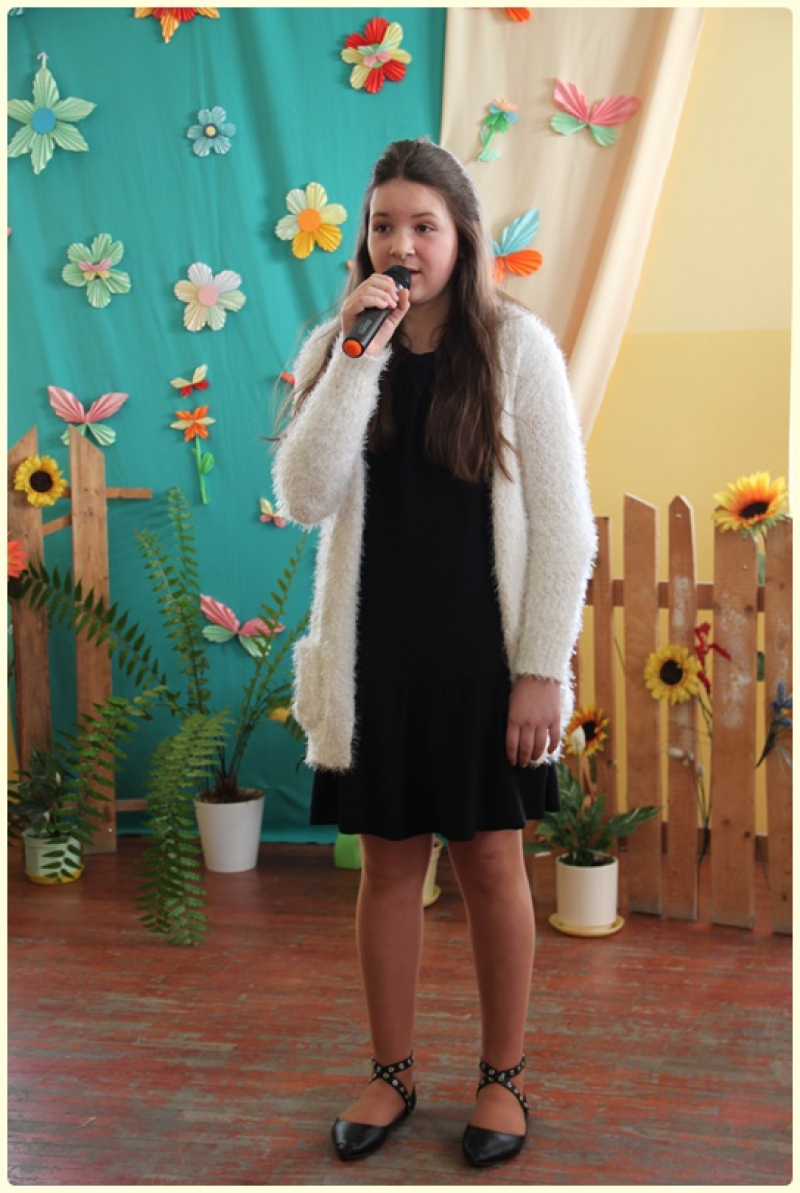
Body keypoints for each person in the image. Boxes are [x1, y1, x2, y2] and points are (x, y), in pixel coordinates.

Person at [272, 137, 597, 1168]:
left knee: (493, 865)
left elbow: (566, 528)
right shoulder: (339, 345)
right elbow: (303, 494)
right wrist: (355, 357)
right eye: (384, 225)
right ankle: (392, 1069)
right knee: (387, 869)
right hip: (373, 660)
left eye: (424, 224)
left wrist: (542, 668)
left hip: (486, 663)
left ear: (461, 235)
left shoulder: (518, 348)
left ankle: (502, 1077)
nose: (401, 244)